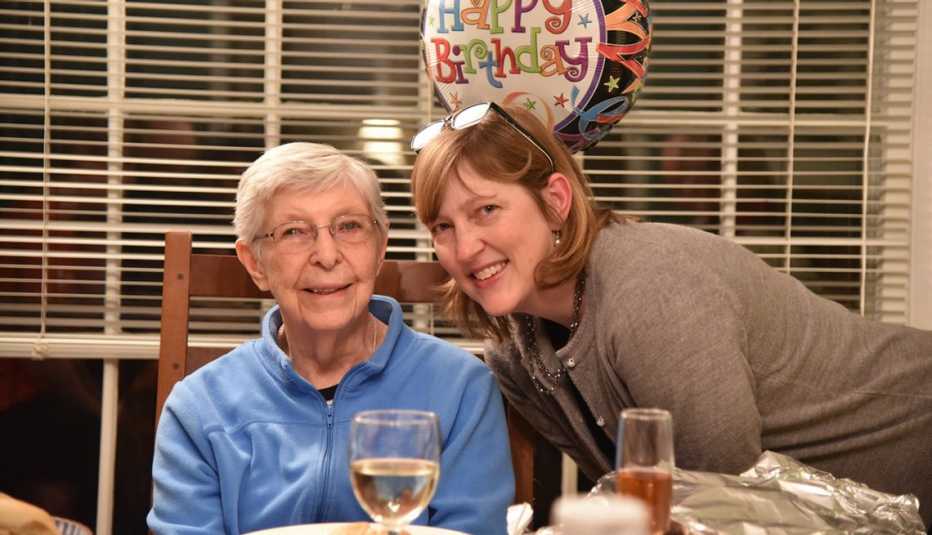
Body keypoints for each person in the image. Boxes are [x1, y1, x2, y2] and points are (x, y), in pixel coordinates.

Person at [409, 102, 932, 527]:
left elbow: (723, 496)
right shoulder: (513, 353)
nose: (466, 246)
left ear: (555, 202)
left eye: (486, 210)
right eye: (442, 226)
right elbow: (650, 508)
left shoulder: (648, 287)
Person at [148, 142, 514, 535]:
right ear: (254, 263)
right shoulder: (198, 409)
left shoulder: (460, 389)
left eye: (349, 227)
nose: (326, 255)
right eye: (293, 232)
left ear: (380, 247)